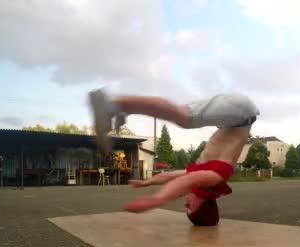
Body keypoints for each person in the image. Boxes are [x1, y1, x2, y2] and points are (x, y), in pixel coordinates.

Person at [89, 90, 259, 225]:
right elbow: (186, 181)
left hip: (236, 114)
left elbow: (170, 176)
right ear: (203, 207)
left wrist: (146, 183)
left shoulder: (205, 174)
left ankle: (124, 108)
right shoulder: (216, 177)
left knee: (183, 115)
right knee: (184, 118)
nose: (185, 205)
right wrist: (158, 200)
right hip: (240, 113)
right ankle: (117, 104)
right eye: (190, 209)